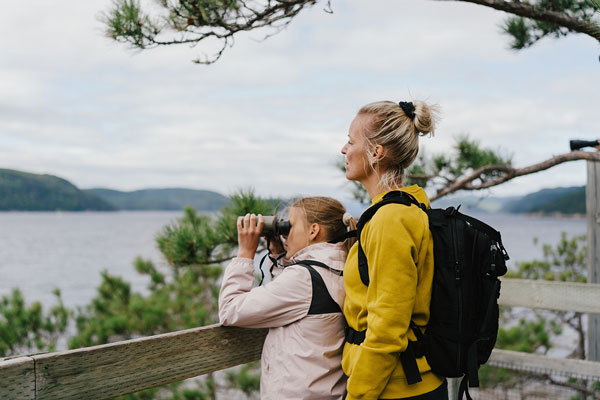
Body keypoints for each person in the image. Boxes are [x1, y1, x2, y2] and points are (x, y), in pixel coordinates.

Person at [340, 100, 448, 400]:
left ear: (376, 152)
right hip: (406, 383)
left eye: (350, 141)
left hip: (398, 389)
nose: (344, 150)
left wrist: (357, 396)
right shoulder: (406, 208)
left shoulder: (391, 220)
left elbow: (387, 329)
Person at [218, 197, 357, 400]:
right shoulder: (341, 265)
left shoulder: (303, 278)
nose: (285, 233)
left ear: (313, 230)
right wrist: (278, 254)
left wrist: (245, 253)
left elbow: (230, 310)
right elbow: (296, 304)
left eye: (289, 226)